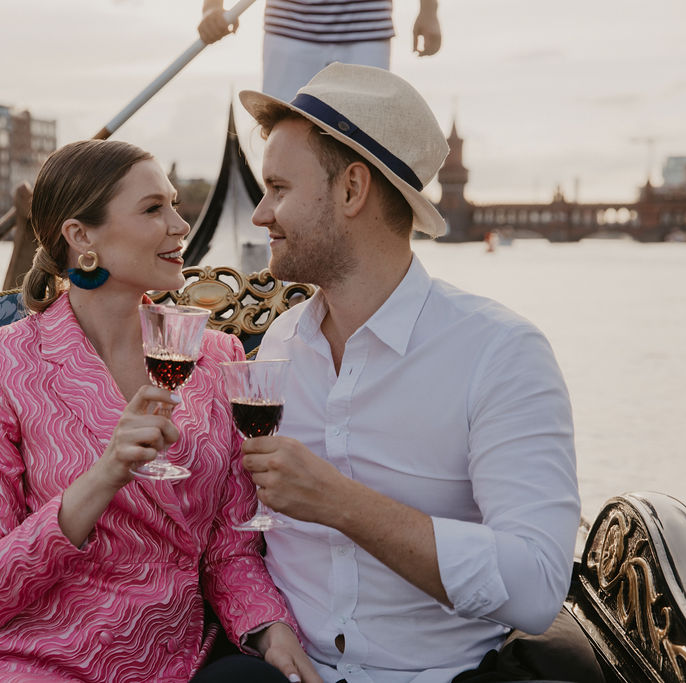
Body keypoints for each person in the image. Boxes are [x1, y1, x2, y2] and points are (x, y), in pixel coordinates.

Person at [0, 139, 319, 682]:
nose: (181, 225)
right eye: (154, 209)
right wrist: (106, 474)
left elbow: (231, 551)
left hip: (162, 656)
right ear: (82, 237)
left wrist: (272, 629)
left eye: (174, 205)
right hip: (28, 653)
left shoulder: (216, 356)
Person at [235, 63, 584, 682]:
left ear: (351, 190)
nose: (261, 215)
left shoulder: (501, 354)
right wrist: (265, 625)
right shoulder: (280, 343)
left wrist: (344, 505)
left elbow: (536, 588)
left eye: (279, 189)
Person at [199, 0, 442, 101]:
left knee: (367, 139)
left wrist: (429, 9)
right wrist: (212, 7)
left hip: (366, 25)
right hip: (290, 24)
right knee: (284, 134)